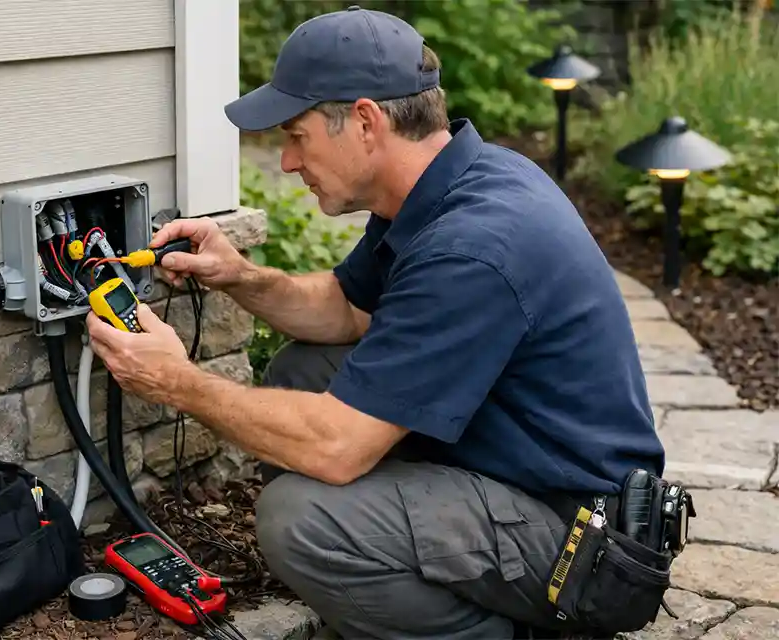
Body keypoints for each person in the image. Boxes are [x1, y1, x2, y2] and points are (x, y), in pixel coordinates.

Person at [85, 6, 665, 639]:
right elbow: (346, 309)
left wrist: (178, 383)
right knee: (304, 369)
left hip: (580, 541)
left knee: (301, 518)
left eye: (297, 135)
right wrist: (239, 276)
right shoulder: (444, 184)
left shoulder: (474, 247)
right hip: (511, 466)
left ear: (364, 121)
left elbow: (336, 448)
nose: (284, 161)